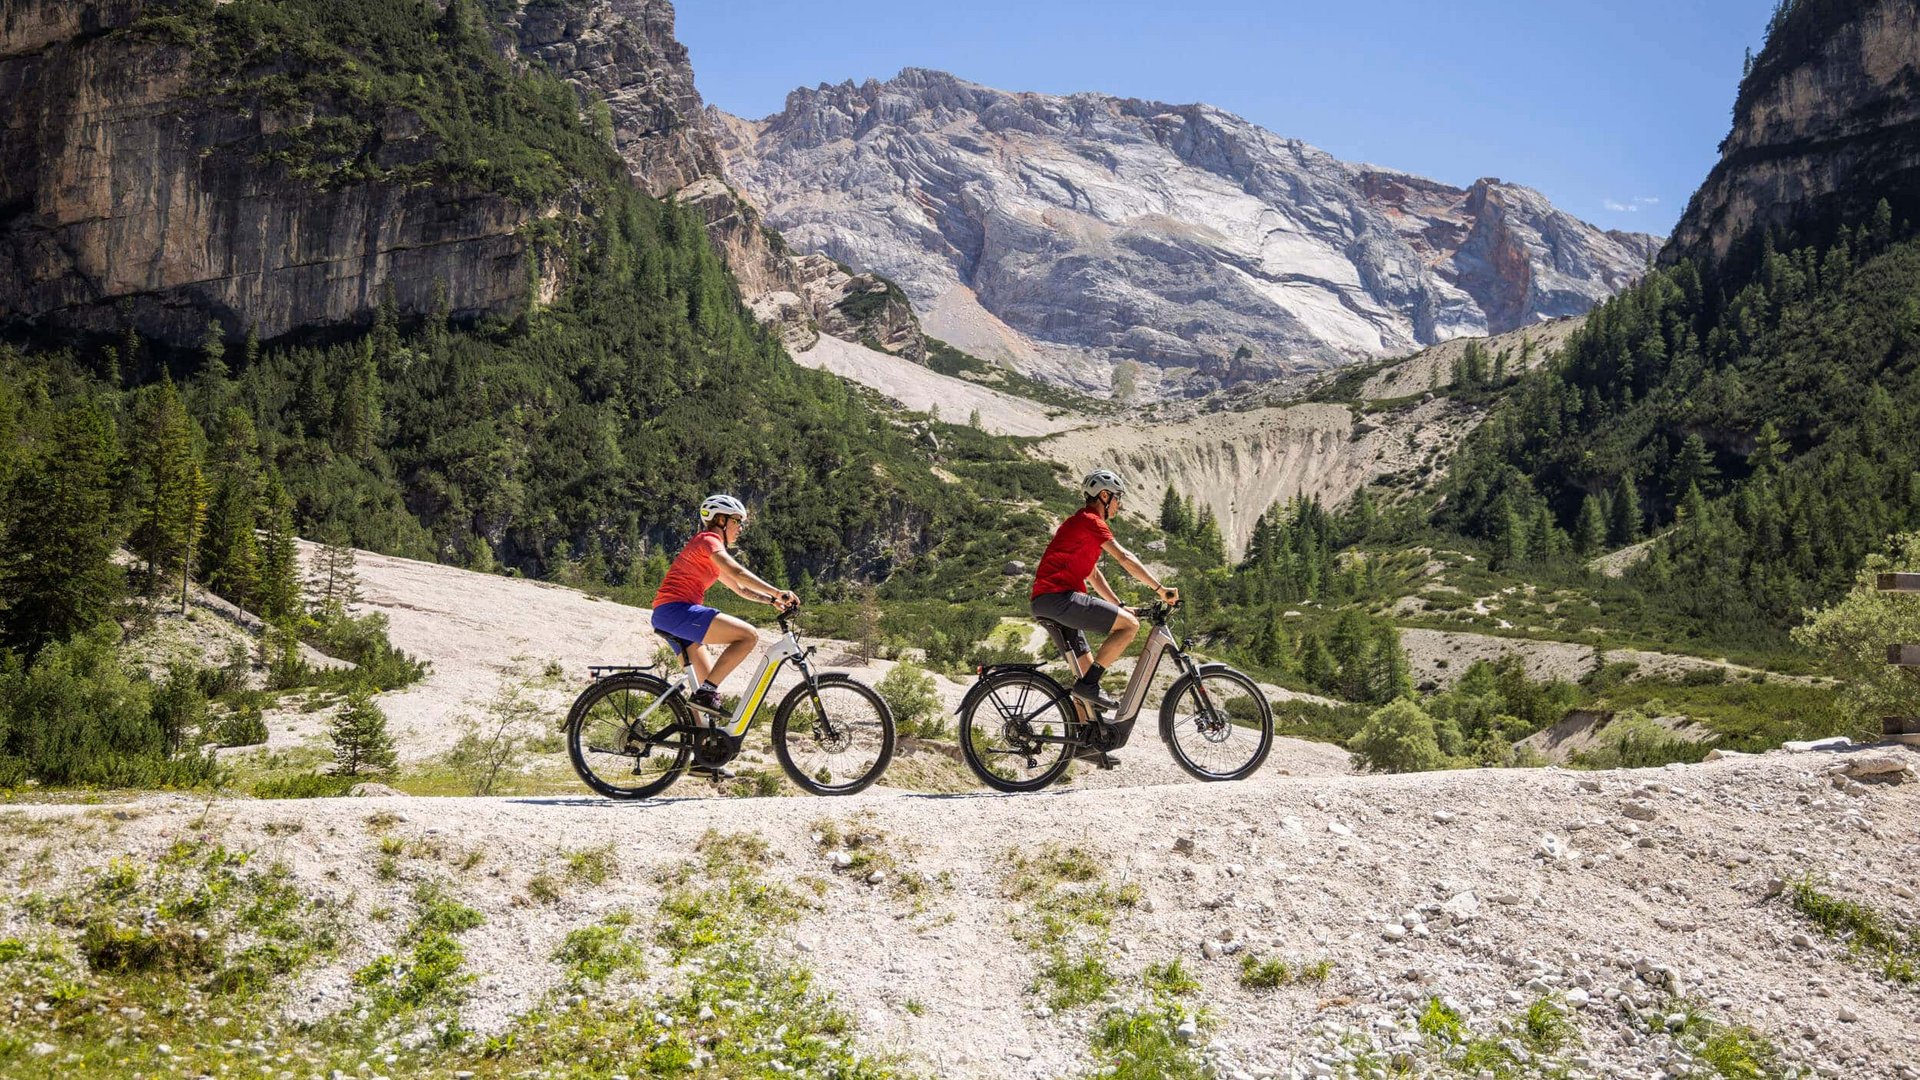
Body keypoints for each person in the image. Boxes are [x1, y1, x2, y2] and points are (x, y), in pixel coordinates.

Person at [1030, 470, 1179, 721]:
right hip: (1060, 599)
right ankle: (1089, 687)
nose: (1120, 505)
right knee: (1129, 626)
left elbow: (1094, 575)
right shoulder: (1091, 521)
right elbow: (1124, 557)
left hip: (1048, 602)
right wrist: (1160, 589)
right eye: (1118, 498)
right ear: (1104, 495)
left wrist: (1119, 605)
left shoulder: (1079, 525)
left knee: (1085, 675)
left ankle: (1087, 744)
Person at [651, 494, 798, 715]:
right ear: (721, 520)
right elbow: (738, 572)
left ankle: (701, 743)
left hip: (672, 615)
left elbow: (740, 588)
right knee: (748, 636)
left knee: (705, 697)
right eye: (737, 521)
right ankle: (705, 696)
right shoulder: (708, 541)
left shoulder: (711, 552)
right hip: (676, 611)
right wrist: (778, 592)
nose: (740, 528)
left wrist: (771, 600)